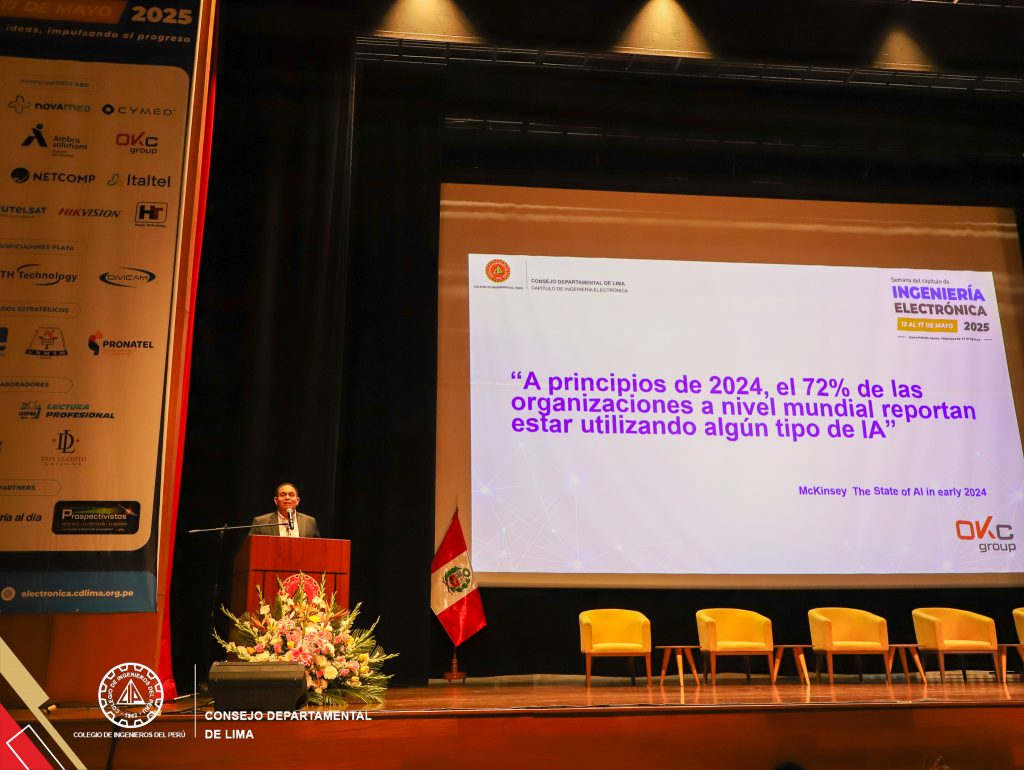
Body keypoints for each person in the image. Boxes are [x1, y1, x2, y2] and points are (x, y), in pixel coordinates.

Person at [250, 482, 321, 538]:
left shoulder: (310, 522)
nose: (287, 498)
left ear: (297, 500)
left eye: (291, 495)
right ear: (276, 500)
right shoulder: (260, 522)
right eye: (283, 495)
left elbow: (318, 547)